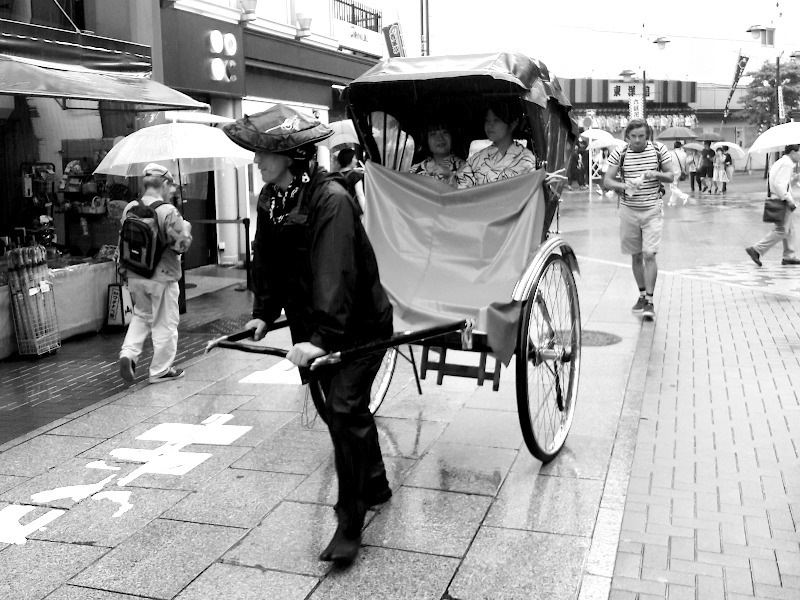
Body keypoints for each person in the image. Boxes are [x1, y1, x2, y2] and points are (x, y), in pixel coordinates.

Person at [223, 104, 395, 564]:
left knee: (343, 408)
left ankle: (350, 522)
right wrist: (263, 312)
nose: (257, 160)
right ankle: (375, 482)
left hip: (357, 325)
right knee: (338, 410)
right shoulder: (271, 198)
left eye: (264, 152)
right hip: (314, 323)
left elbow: (333, 273)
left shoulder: (330, 199)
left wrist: (322, 338)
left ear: (292, 154)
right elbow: (268, 260)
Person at [118, 163, 192, 384]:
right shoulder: (168, 211)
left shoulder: (130, 208)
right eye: (171, 187)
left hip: (134, 275)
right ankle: (160, 370)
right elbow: (182, 245)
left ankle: (128, 354)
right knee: (165, 323)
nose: (172, 192)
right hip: (162, 277)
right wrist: (185, 228)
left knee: (141, 316)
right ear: (165, 183)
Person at [603, 118, 675, 319]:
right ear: (627, 137)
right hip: (628, 210)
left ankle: (650, 301)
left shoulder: (659, 150)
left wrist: (655, 174)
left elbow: (672, 176)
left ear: (648, 136)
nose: (637, 140)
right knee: (635, 255)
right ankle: (642, 294)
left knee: (649, 254)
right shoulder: (620, 153)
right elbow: (607, 181)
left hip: (652, 209)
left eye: (641, 136)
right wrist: (623, 186)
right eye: (633, 136)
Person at [456, 101, 536, 188]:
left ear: (513, 124)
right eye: (487, 120)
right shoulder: (475, 160)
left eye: (496, 120)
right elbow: (462, 191)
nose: (490, 125)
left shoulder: (526, 159)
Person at [745, 144, 800, 267]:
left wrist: (792, 182)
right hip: (782, 200)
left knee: (789, 229)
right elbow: (780, 184)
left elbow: (779, 182)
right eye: (799, 152)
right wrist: (788, 199)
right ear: (793, 152)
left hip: (778, 197)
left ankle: (789, 256)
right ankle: (757, 249)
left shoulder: (781, 162)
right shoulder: (787, 164)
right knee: (781, 230)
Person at [408, 120, 466, 187]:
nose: (440, 138)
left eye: (445, 132)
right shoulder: (414, 170)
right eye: (433, 134)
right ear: (426, 140)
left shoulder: (464, 167)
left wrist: (450, 177)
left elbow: (469, 195)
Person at [336, 148, 366, 212]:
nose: (356, 160)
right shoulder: (355, 176)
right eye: (354, 158)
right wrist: (366, 212)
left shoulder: (335, 175)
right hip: (351, 211)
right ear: (349, 159)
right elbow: (360, 195)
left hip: (338, 210)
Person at [667, 141, 689, 206]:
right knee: (675, 187)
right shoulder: (684, 154)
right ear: (680, 146)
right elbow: (685, 164)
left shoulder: (670, 153)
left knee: (673, 188)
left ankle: (684, 196)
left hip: (672, 172)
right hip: (680, 172)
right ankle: (672, 202)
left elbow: (668, 162)